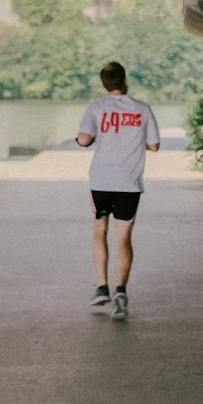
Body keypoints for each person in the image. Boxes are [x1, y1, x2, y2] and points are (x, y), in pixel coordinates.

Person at [76, 61, 160, 321]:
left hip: (101, 180)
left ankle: (102, 286)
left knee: (99, 230)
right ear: (125, 80)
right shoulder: (142, 109)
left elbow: (83, 139)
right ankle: (121, 292)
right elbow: (154, 146)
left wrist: (96, 137)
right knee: (123, 238)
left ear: (103, 84)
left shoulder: (96, 107)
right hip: (129, 183)